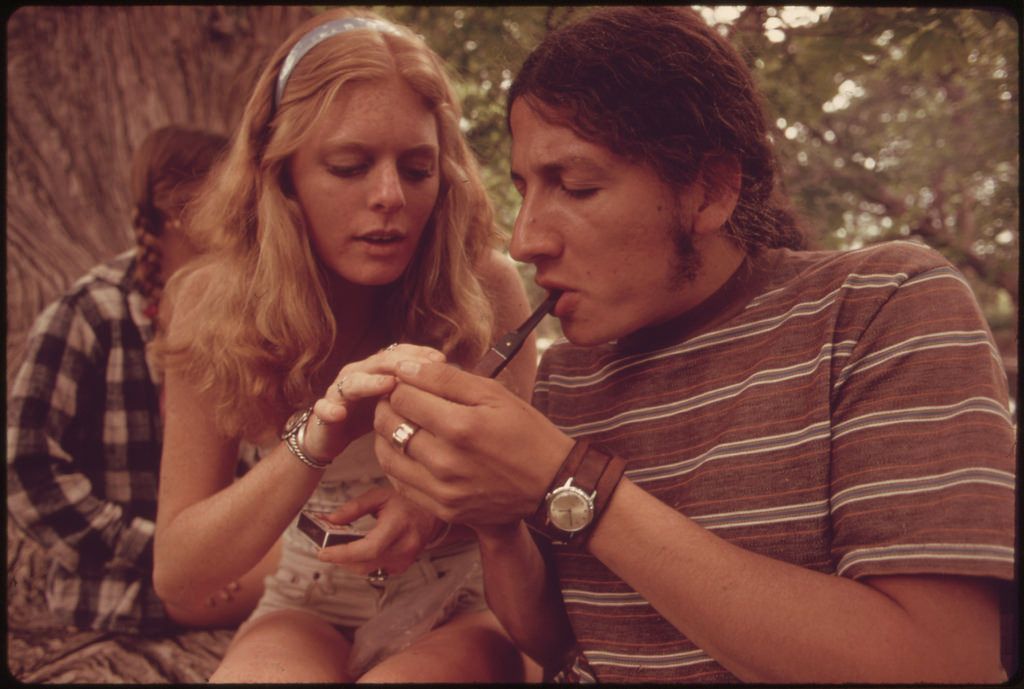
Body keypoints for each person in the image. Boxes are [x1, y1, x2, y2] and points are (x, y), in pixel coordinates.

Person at [372, 6, 1016, 684]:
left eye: (576, 185)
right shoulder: (570, 374)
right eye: (525, 188)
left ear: (710, 190)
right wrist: (498, 521)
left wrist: (570, 483)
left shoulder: (882, 306)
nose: (525, 239)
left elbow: (942, 661)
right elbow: (565, 639)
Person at [150, 8, 534, 683]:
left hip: (463, 604)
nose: (388, 197)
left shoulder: (483, 289)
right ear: (282, 173)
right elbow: (180, 572)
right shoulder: (214, 305)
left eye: (416, 170)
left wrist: (433, 500)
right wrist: (317, 435)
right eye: (350, 166)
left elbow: (523, 490)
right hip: (306, 602)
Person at [5, 125, 266, 634]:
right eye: (230, 189)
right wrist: (155, 547)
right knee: (324, 574)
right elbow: (26, 469)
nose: (247, 205)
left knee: (332, 563)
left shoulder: (239, 310)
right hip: (119, 588)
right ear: (177, 207)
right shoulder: (89, 313)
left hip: (219, 564)